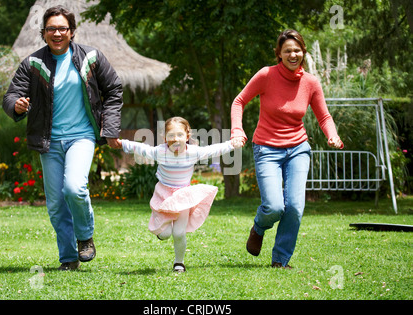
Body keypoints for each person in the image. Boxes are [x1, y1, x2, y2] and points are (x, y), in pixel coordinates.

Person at [3, 6, 123, 271]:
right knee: (56, 204)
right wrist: (17, 105)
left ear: (71, 31)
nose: (56, 33)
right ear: (43, 33)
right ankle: (68, 258)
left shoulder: (91, 57)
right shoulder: (33, 64)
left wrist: (110, 128)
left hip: (81, 136)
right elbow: (11, 96)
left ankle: (85, 236)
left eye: (62, 28)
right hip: (49, 141)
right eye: (51, 29)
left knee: (74, 188)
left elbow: (113, 89)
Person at [230, 30, 343, 269]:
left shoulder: (310, 82)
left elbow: (324, 116)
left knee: (294, 206)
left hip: (298, 149)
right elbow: (239, 101)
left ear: (303, 52)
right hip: (267, 149)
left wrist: (332, 135)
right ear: (279, 54)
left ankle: (280, 260)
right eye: (287, 50)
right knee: (274, 206)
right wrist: (237, 130)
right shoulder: (266, 75)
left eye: (297, 50)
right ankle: (259, 227)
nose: (293, 54)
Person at [117, 117, 241, 272]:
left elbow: (213, 150)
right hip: (164, 194)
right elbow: (142, 149)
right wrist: (121, 143)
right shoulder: (160, 152)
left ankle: (179, 263)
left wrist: (231, 144)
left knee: (179, 233)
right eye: (171, 135)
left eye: (180, 135)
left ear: (187, 136)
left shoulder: (193, 152)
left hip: (183, 196)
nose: (175, 139)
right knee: (166, 233)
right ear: (165, 138)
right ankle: (161, 232)